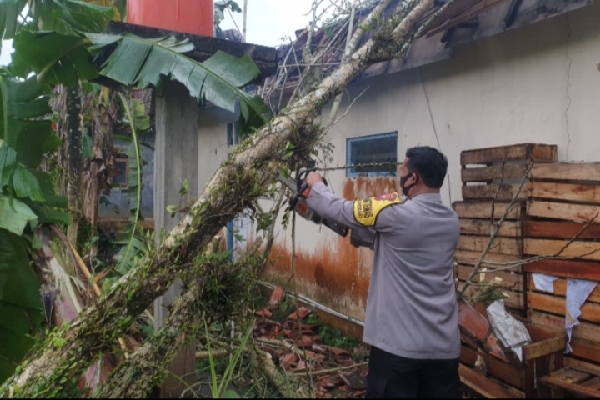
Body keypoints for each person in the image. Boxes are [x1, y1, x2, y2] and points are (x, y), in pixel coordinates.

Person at [305, 146, 461, 398]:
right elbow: (400, 242)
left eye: (403, 169)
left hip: (399, 350)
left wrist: (316, 186)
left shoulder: (396, 214)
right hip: (443, 350)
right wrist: (355, 232)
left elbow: (345, 210)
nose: (400, 174)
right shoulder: (451, 221)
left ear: (414, 178)